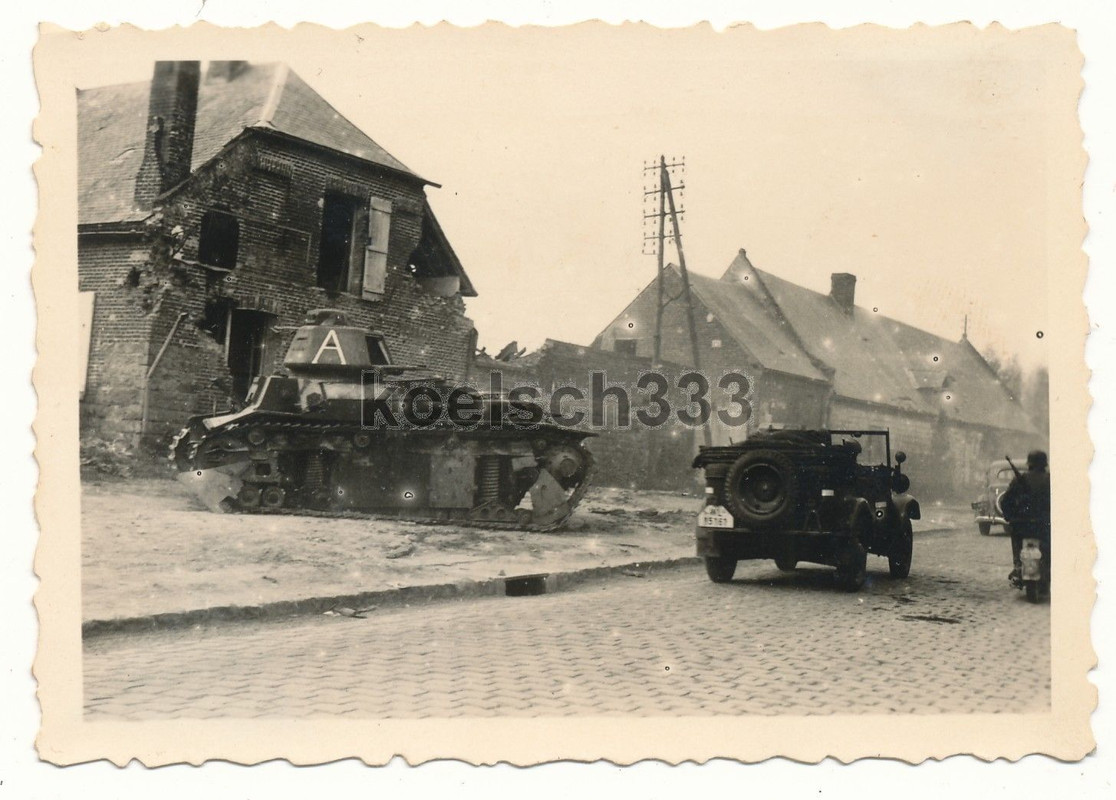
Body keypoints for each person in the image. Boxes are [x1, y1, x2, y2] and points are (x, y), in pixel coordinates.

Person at [1000, 450, 1051, 589]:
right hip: (1044, 524)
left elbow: (1006, 501)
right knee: (1049, 545)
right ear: (1044, 464)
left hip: (1022, 524)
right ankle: (1049, 567)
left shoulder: (1019, 480)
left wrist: (1009, 516)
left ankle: (1017, 565)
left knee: (1016, 539)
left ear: (1029, 464)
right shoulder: (1051, 480)